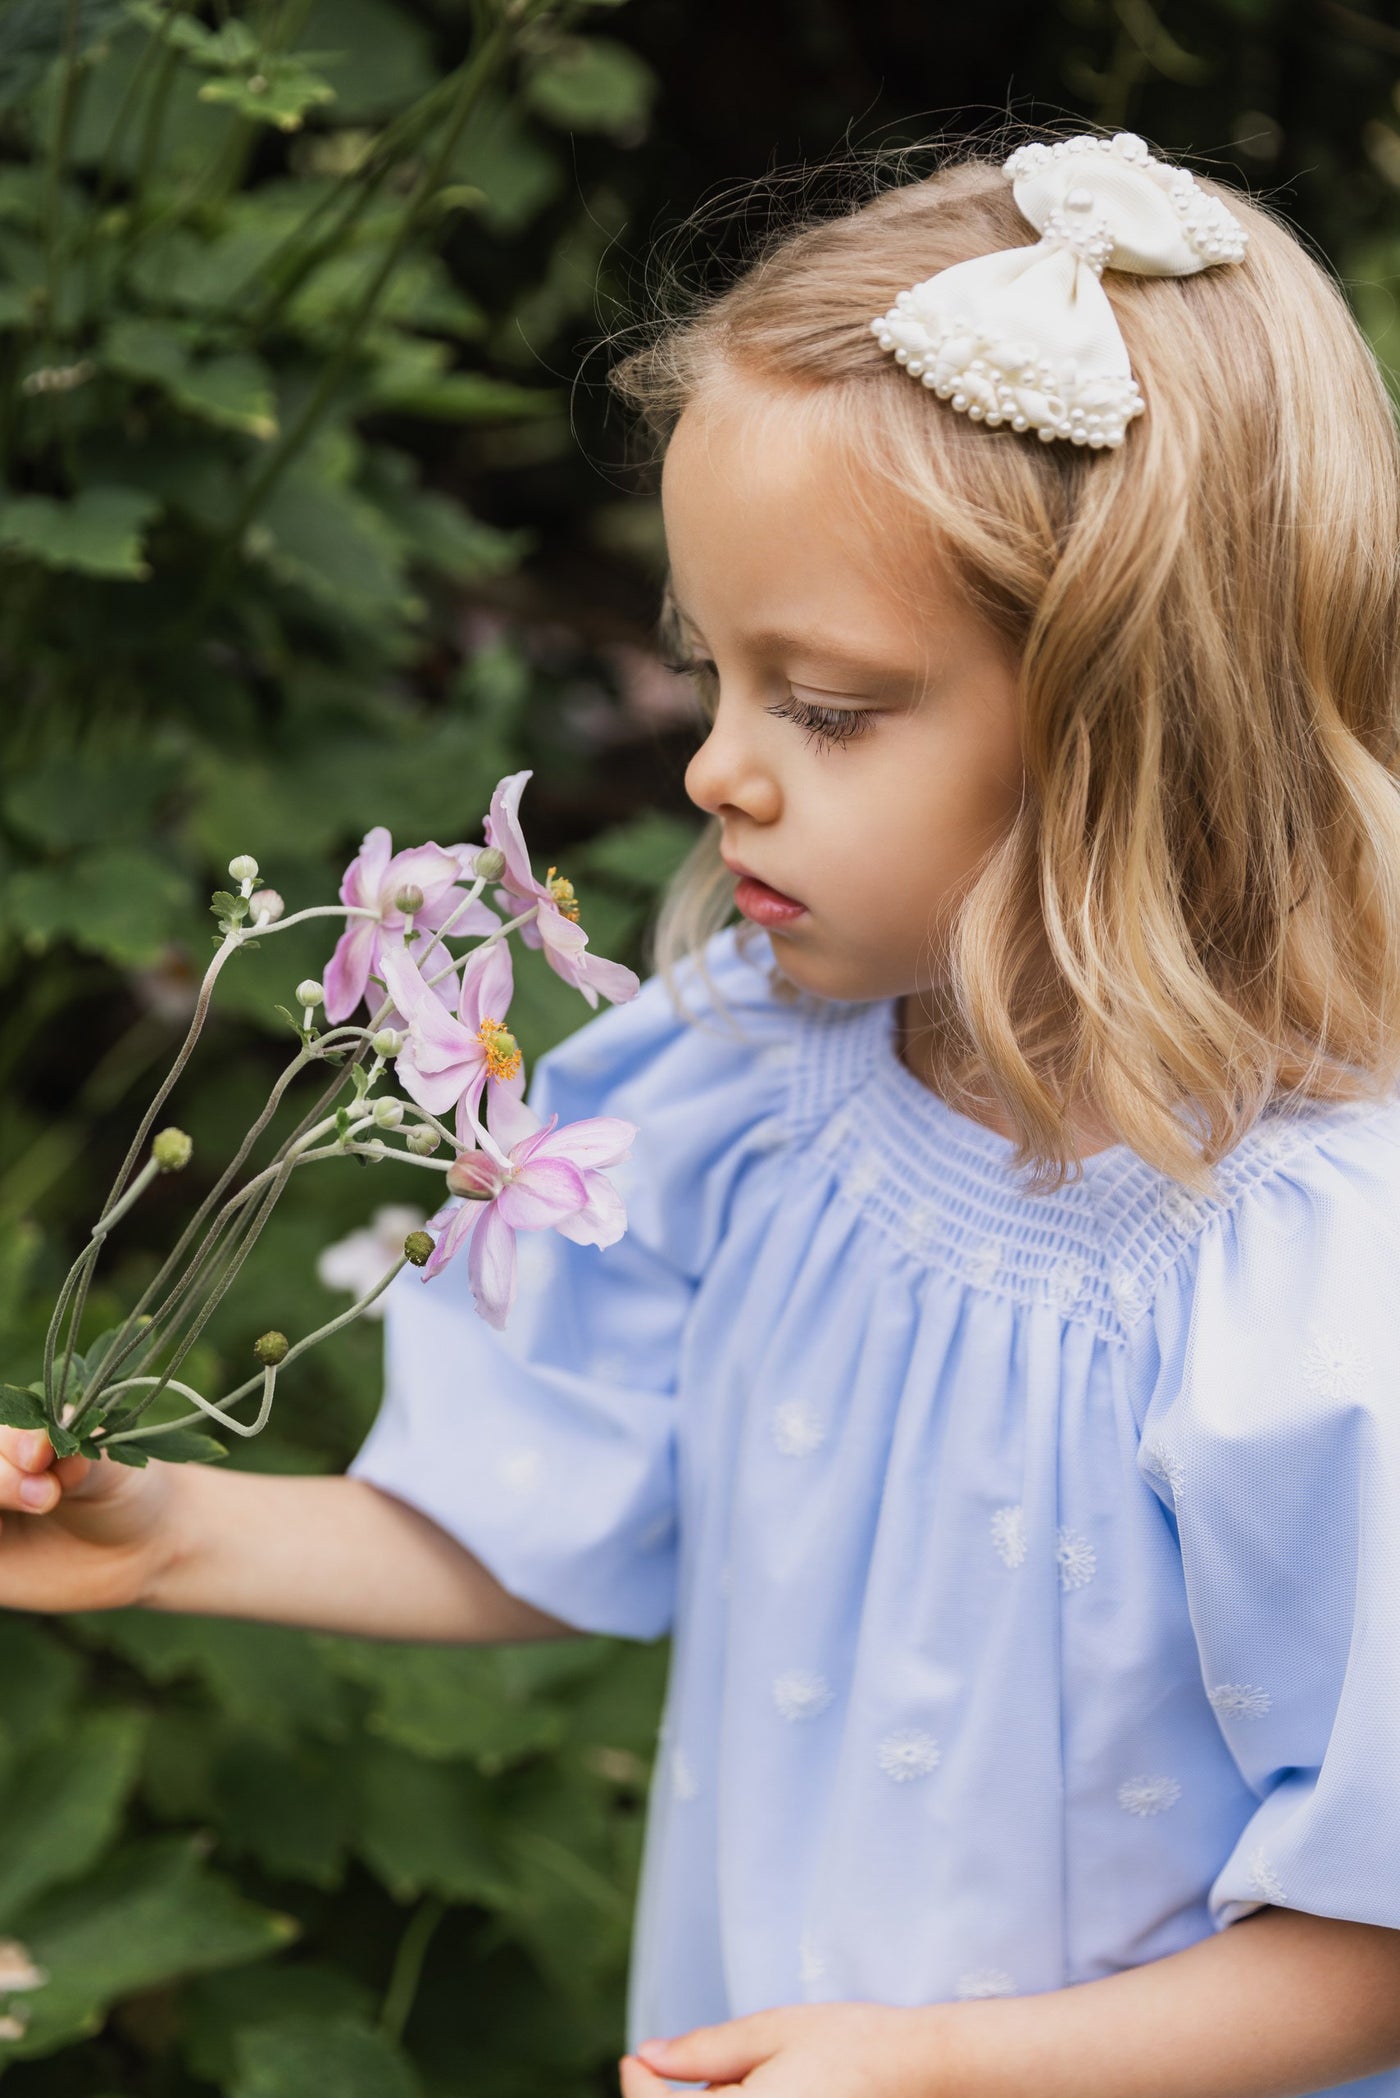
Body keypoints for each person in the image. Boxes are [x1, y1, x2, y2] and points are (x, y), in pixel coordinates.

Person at [6, 129, 1400, 2098]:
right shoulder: (758, 1081)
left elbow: (1373, 1939)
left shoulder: (1317, 1284)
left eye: (823, 704)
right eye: (708, 672)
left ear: (1135, 726)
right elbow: (563, 1515)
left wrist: (933, 2066)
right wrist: (170, 1536)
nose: (719, 771)